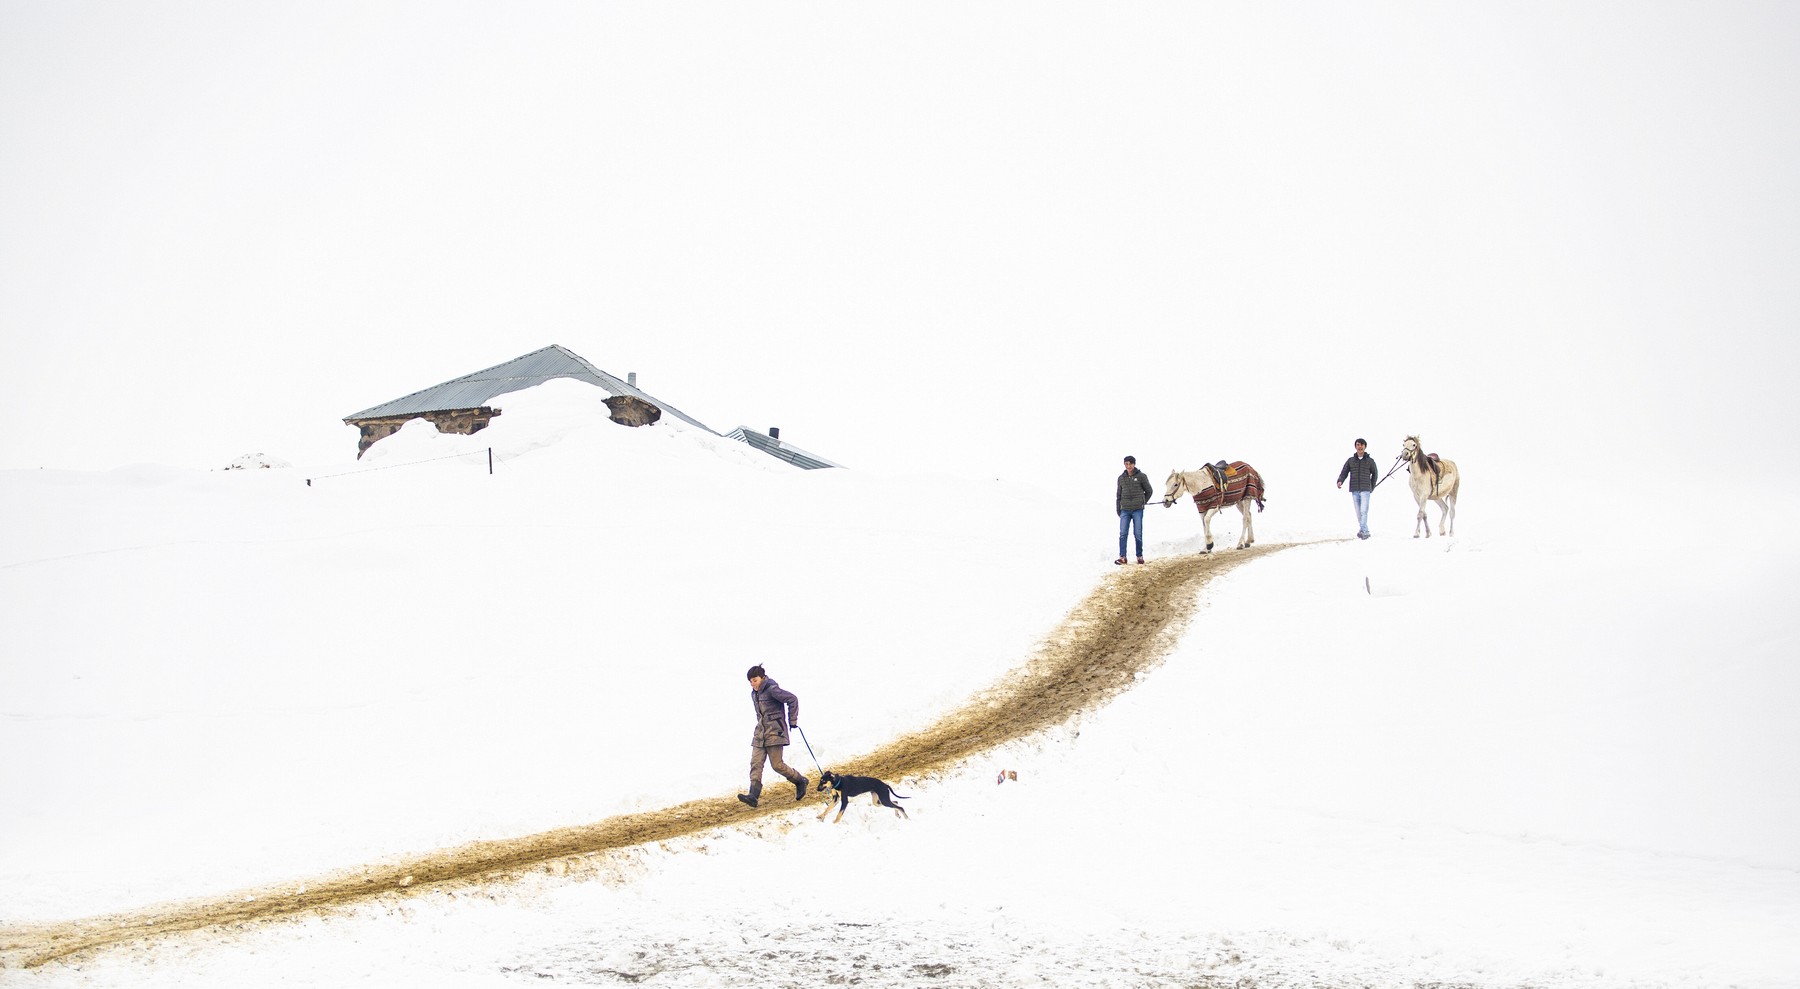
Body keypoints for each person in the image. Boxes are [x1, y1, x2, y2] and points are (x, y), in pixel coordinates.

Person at [737, 665, 807, 808]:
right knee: (755, 763)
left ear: (762, 678)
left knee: (777, 765)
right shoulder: (754, 694)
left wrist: (792, 721)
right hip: (760, 733)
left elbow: (792, 699)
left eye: (755, 680)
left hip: (775, 732)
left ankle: (800, 781)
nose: (752, 684)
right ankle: (753, 795)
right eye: (750, 681)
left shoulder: (772, 690)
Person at [1336, 437, 1379, 539]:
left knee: (1364, 511)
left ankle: (1364, 531)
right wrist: (1340, 481)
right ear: (1355, 447)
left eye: (1361, 445)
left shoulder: (1370, 461)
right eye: (1358, 445)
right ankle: (1364, 530)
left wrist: (1371, 487)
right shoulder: (1351, 461)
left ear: (1365, 447)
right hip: (1354, 490)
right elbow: (1344, 472)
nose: (1360, 447)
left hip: (1365, 490)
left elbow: (1375, 474)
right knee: (1358, 512)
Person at [1116, 455, 1153, 564]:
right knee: (1123, 533)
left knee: (1137, 533)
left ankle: (1139, 556)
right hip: (1125, 510)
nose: (1128, 466)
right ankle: (1122, 557)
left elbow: (1149, 491)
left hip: (1137, 510)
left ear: (1134, 464)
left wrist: (1142, 502)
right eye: (1126, 464)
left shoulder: (1141, 476)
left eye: (1130, 464)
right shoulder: (1121, 478)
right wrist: (1118, 508)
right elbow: (1118, 494)